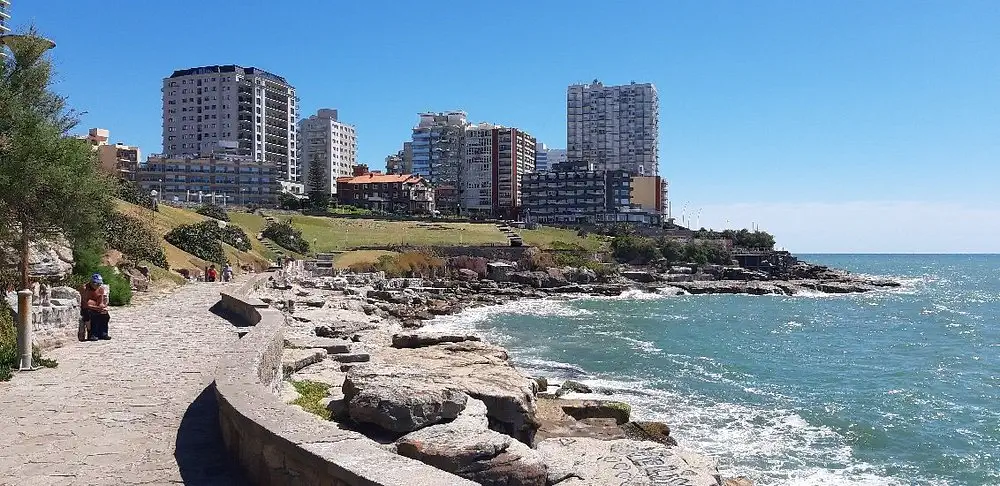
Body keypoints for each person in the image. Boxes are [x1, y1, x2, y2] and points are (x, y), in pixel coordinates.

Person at [80, 274, 111, 341]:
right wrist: (96, 308)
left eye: (99, 284)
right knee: (93, 316)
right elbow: (85, 304)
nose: (98, 286)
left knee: (105, 315)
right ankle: (92, 334)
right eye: (96, 284)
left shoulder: (100, 289)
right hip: (86, 308)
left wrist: (102, 307)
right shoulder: (85, 289)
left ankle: (103, 333)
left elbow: (100, 302)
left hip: (95, 307)